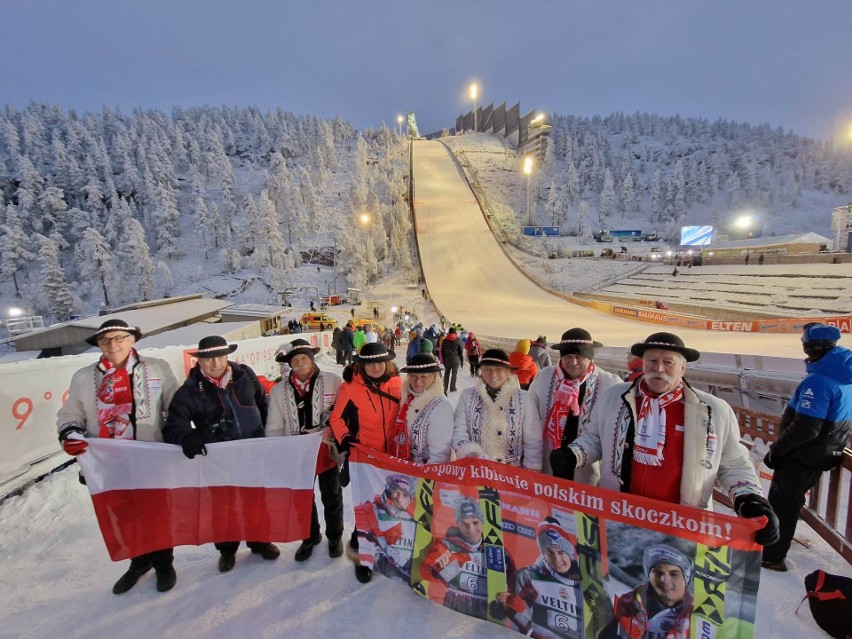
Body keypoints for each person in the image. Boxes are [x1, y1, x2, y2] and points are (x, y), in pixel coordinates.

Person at [559, 332, 779, 545]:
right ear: (643, 363)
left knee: (667, 582)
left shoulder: (714, 410)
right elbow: (595, 438)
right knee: (616, 580)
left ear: (683, 367)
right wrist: (573, 454)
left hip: (681, 528)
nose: (659, 368)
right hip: (618, 518)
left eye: (669, 362)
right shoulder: (614, 397)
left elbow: (734, 465)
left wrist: (749, 499)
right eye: (652, 361)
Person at [57, 319, 179, 595]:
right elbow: (69, 415)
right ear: (99, 345)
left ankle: (163, 563)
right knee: (123, 515)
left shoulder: (157, 367)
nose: (113, 345)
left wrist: (178, 437)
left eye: (119, 338)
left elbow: (175, 408)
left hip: (150, 460)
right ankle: (139, 561)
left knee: (156, 514)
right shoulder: (83, 377)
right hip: (108, 464)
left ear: (132, 340)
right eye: (105, 340)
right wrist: (70, 433)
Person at [162, 335, 280, 573]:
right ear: (199, 361)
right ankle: (227, 550)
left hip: (252, 452)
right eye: (208, 359)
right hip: (218, 460)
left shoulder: (245, 376)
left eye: (219, 357)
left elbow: (264, 404)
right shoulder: (188, 391)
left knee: (256, 498)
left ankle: (260, 541)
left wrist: (270, 433)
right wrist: (187, 436)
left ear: (227, 356)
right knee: (222, 506)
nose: (214, 363)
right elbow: (173, 426)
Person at [761, 323, 852, 571]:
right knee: (790, 501)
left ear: (812, 347)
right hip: (823, 451)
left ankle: (772, 554)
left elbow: (806, 427)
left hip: (801, 456)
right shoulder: (842, 375)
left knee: (782, 504)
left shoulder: (819, 381)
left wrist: (776, 451)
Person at [329, 342, 402, 583]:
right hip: (365, 461)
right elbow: (336, 418)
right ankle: (359, 553)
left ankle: (386, 550)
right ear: (361, 365)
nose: (376, 367)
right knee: (367, 508)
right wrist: (346, 440)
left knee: (391, 507)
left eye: (380, 362)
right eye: (370, 363)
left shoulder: (397, 384)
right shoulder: (350, 388)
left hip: (393, 459)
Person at [265, 339, 344, 562]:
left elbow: (342, 412)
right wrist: (276, 453)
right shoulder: (279, 390)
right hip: (296, 453)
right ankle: (310, 536)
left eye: (304, 358)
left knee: (332, 496)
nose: (300, 363)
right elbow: (273, 425)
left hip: (325, 451)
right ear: (290, 363)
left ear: (312, 358)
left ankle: (334, 536)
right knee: (302, 497)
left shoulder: (332, 381)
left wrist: (331, 426)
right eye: (295, 359)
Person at [529, 328, 621, 484]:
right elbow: (530, 417)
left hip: (588, 471)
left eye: (579, 357)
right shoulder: (544, 377)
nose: (573, 362)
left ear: (590, 358)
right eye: (568, 356)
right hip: (548, 464)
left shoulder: (610, 384)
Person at [422, 497, 516, 620]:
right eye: (464, 524)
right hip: (452, 609)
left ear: (482, 521)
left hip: (486, 614)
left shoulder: (499, 553)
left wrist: (509, 598)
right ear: (457, 524)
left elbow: (513, 586)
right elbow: (424, 572)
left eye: (475, 522)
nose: (471, 529)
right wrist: (437, 571)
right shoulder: (447, 545)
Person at [453, 348, 543, 470]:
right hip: (476, 471)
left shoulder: (524, 399)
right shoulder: (467, 396)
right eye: (487, 369)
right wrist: (468, 451)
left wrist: (530, 473)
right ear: (481, 371)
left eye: (498, 369)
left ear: (508, 372)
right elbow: (458, 431)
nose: (493, 375)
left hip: (513, 476)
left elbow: (533, 441)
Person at [495, 518, 584, 639]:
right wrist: (513, 611)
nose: (557, 560)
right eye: (549, 553)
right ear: (543, 554)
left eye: (561, 552)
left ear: (570, 553)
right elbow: (507, 619)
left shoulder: (585, 585)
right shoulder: (529, 577)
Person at [600, 544, 694, 639]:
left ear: (685, 578)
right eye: (657, 573)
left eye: (674, 574)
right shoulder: (628, 606)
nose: (664, 580)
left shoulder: (698, 618)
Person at [390, 353, 455, 463]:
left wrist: (424, 477)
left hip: (424, 473)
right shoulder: (406, 399)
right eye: (414, 376)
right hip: (404, 469)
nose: (418, 381)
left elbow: (440, 455)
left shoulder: (440, 407)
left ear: (434, 377)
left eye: (423, 376)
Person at [353, 474, 417, 582]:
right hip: (381, 464)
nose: (399, 499)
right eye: (396, 492)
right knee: (365, 520)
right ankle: (364, 557)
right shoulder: (373, 510)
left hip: (415, 465)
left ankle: (413, 567)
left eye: (405, 495)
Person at [440, 326, 464, 394]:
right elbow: (461, 352)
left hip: (447, 359)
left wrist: (444, 361)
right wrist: (462, 361)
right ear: (455, 333)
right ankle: (452, 388)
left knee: (446, 374)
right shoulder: (458, 340)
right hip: (455, 360)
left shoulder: (445, 340)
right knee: (454, 374)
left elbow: (442, 351)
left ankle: (445, 387)